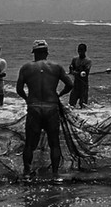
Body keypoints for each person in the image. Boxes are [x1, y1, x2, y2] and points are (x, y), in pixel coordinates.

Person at [16, 39, 74, 178]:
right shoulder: (56, 67)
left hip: (34, 107)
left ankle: (26, 172)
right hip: (51, 107)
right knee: (54, 143)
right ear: (47, 52)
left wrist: (27, 99)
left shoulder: (26, 68)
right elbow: (70, 85)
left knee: (29, 143)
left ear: (34, 53)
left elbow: (19, 89)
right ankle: (55, 173)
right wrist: (59, 94)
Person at [68, 43, 92, 108]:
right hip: (76, 85)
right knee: (71, 105)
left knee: (83, 105)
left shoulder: (88, 61)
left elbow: (86, 72)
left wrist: (77, 73)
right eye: (79, 50)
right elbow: (71, 67)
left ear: (85, 50)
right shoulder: (75, 59)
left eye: (81, 50)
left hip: (83, 86)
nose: (80, 52)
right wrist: (71, 70)